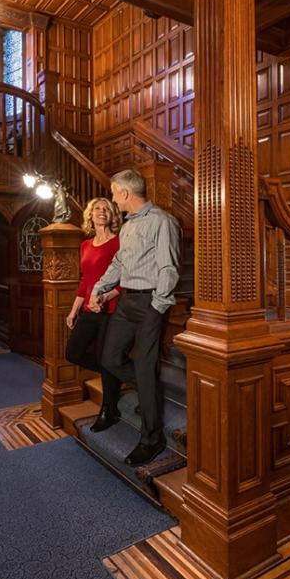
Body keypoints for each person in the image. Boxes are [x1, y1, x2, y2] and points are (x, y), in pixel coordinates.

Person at [89, 169, 181, 466]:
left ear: (125, 193)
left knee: (144, 365)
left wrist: (158, 306)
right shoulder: (128, 226)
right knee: (110, 358)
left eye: (114, 194)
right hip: (127, 300)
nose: (114, 200)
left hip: (150, 302)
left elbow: (168, 268)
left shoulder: (162, 222)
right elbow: (119, 262)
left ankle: (152, 439)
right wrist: (100, 288)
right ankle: (149, 389)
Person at [65, 198, 122, 433]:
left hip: (111, 310)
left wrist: (105, 297)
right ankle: (116, 373)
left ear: (112, 216)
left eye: (107, 209)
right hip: (89, 310)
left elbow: (126, 280)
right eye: (98, 209)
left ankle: (109, 410)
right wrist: (74, 310)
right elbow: (85, 280)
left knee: (104, 356)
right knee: (73, 353)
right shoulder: (86, 245)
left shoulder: (119, 242)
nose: (102, 212)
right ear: (90, 215)